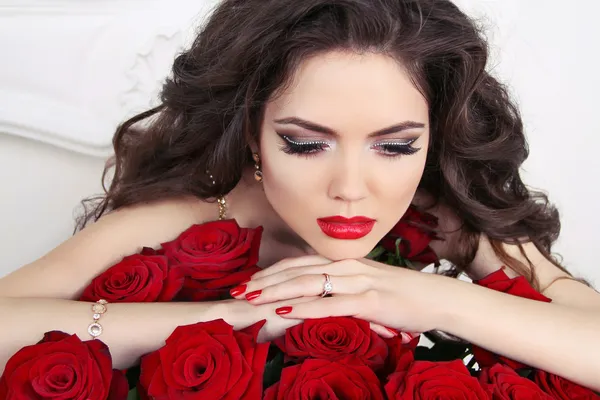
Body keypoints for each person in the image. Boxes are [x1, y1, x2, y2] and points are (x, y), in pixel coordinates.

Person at [1, 0, 599, 390]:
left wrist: (428, 298)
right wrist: (241, 320)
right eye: (305, 144)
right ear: (253, 134)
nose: (349, 188)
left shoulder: (443, 213)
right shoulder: (189, 218)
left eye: (394, 147)